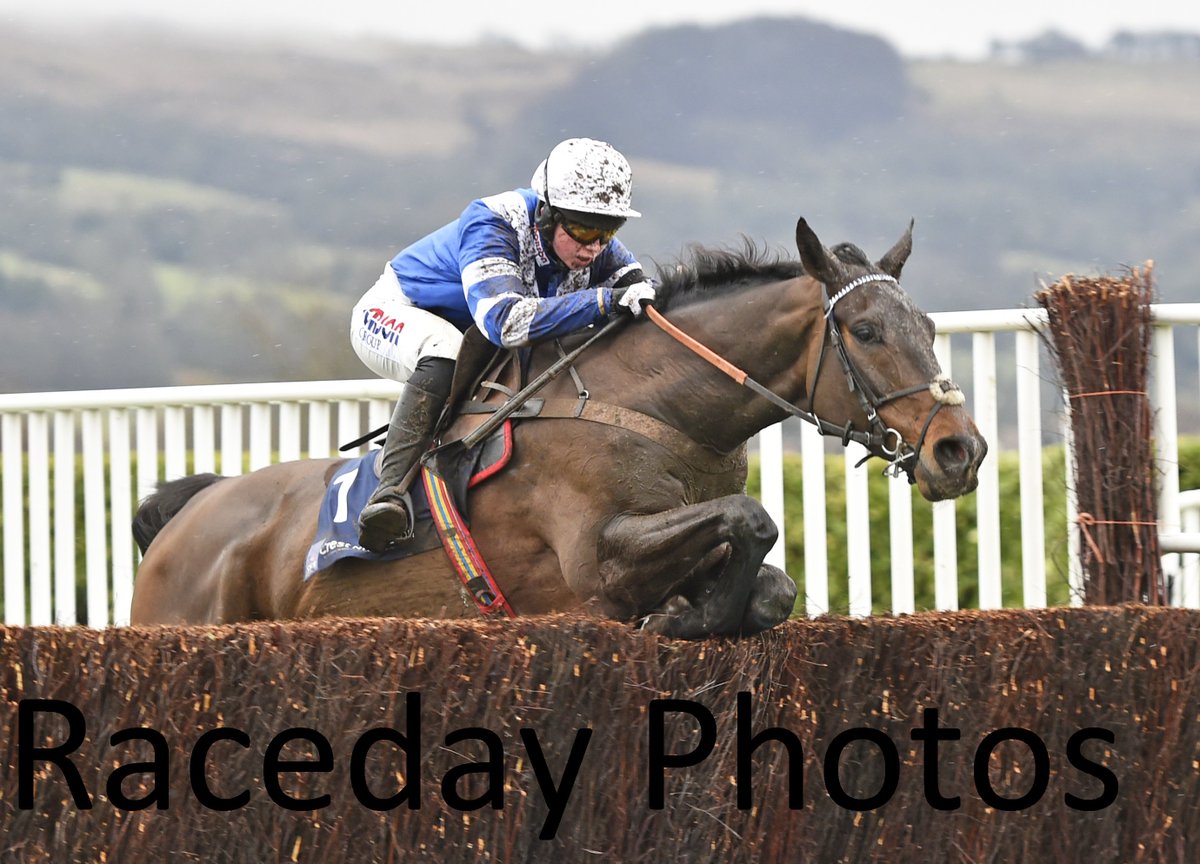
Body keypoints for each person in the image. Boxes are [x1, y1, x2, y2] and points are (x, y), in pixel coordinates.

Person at [349, 137, 657, 552]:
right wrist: (604, 300)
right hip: (396, 311)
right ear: (548, 214)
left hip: (472, 333)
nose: (594, 247)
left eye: (608, 231)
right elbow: (505, 322)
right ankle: (390, 493)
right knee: (443, 349)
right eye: (583, 229)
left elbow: (640, 290)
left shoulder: (595, 240)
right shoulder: (493, 221)